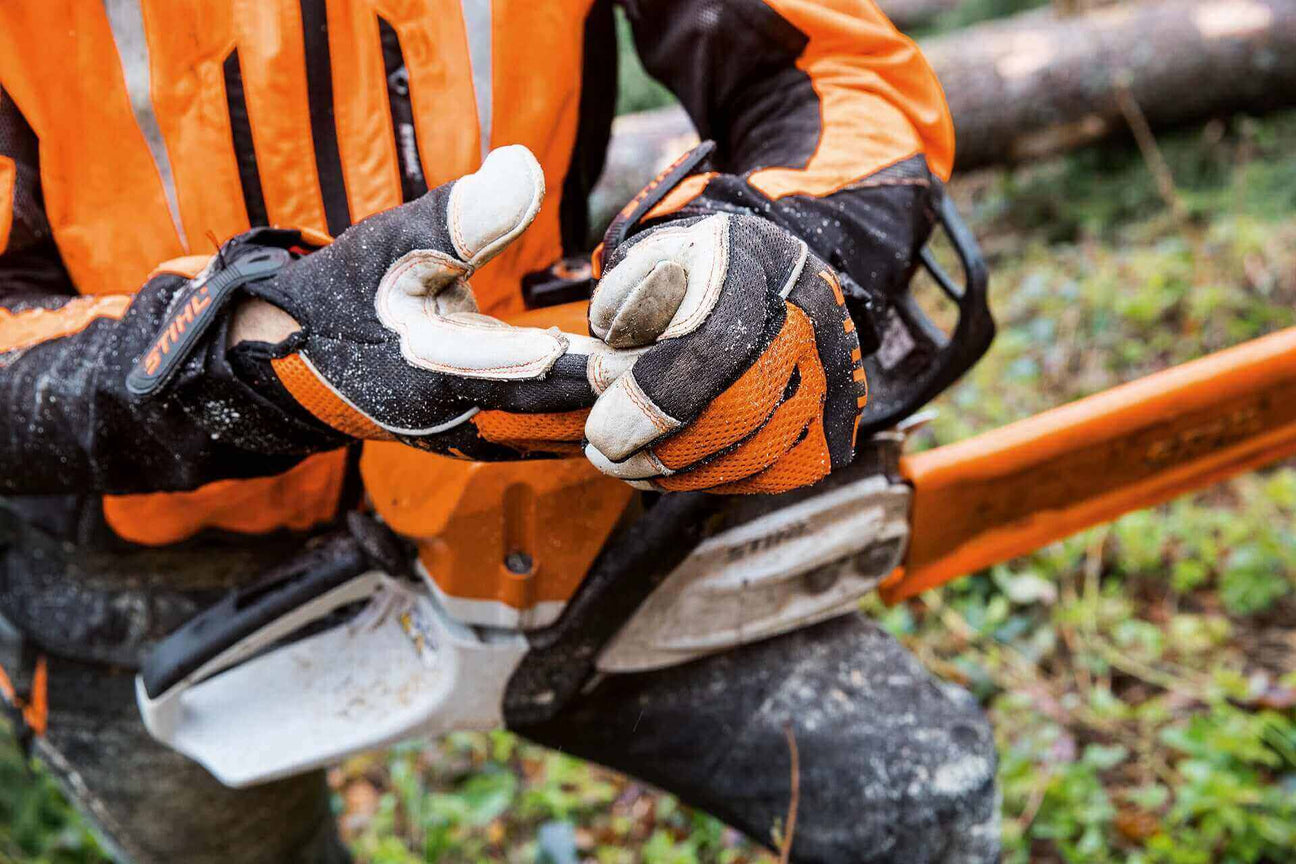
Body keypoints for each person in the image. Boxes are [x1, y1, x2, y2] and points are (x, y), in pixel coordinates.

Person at [0, 1, 997, 861]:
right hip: (136, 548)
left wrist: (788, 252)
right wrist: (253, 357)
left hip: (552, 461)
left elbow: (834, 71)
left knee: (913, 792)